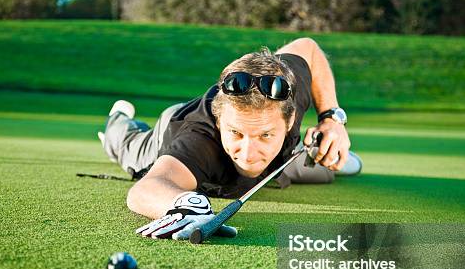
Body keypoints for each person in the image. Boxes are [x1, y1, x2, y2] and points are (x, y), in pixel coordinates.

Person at [99, 38, 362, 241]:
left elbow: (309, 47)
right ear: (219, 119)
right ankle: (120, 116)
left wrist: (331, 119)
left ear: (290, 120)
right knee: (124, 145)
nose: (248, 153)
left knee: (323, 167)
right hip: (166, 132)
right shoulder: (199, 140)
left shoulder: (289, 89)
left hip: (274, 147)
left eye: (265, 135)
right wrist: (185, 204)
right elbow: (145, 190)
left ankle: (329, 153)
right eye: (236, 133)